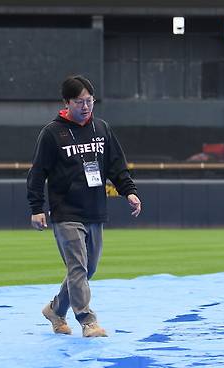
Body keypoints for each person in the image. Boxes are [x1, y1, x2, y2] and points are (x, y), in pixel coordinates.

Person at [27, 75, 141, 338]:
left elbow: (117, 166)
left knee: (89, 269)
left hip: (94, 209)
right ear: (67, 102)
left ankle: (56, 310)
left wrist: (129, 192)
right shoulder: (52, 133)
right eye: (80, 102)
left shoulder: (101, 128)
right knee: (78, 266)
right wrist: (36, 207)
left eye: (90, 101)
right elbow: (37, 173)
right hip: (66, 212)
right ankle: (87, 320)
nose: (86, 106)